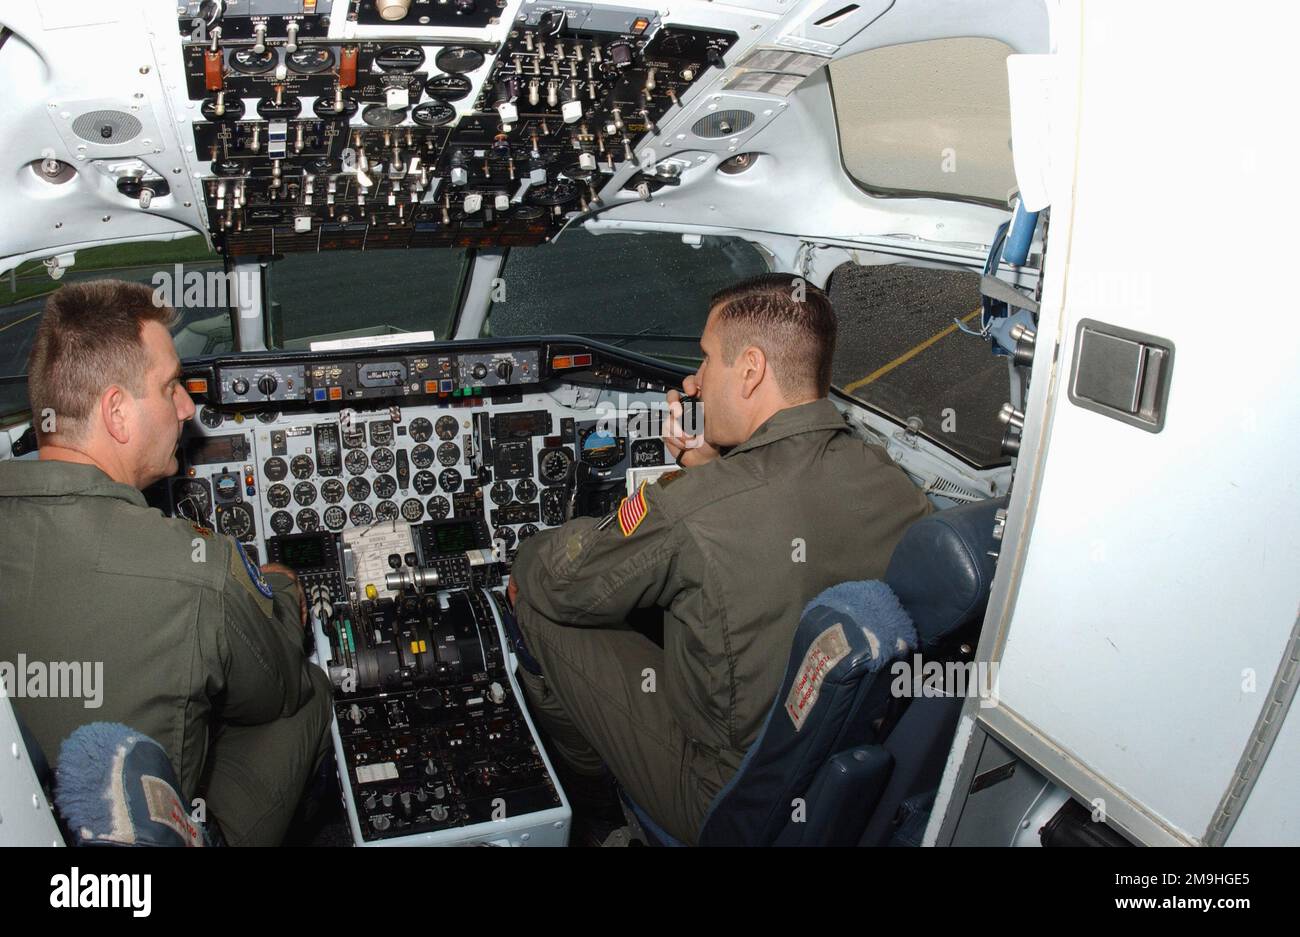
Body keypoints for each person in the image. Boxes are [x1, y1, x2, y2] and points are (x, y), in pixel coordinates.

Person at [508, 273, 932, 844]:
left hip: (722, 793)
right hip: (837, 768)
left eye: (706, 359)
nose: (694, 380)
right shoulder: (891, 480)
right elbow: (771, 517)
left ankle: (597, 805)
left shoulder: (690, 510)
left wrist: (530, 551)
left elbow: (561, 581)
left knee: (531, 601)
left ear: (751, 369)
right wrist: (706, 467)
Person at [0, 279, 332, 846]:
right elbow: (275, 686)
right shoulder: (194, 569)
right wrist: (281, 590)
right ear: (117, 414)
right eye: (171, 385)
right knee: (309, 691)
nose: (187, 406)